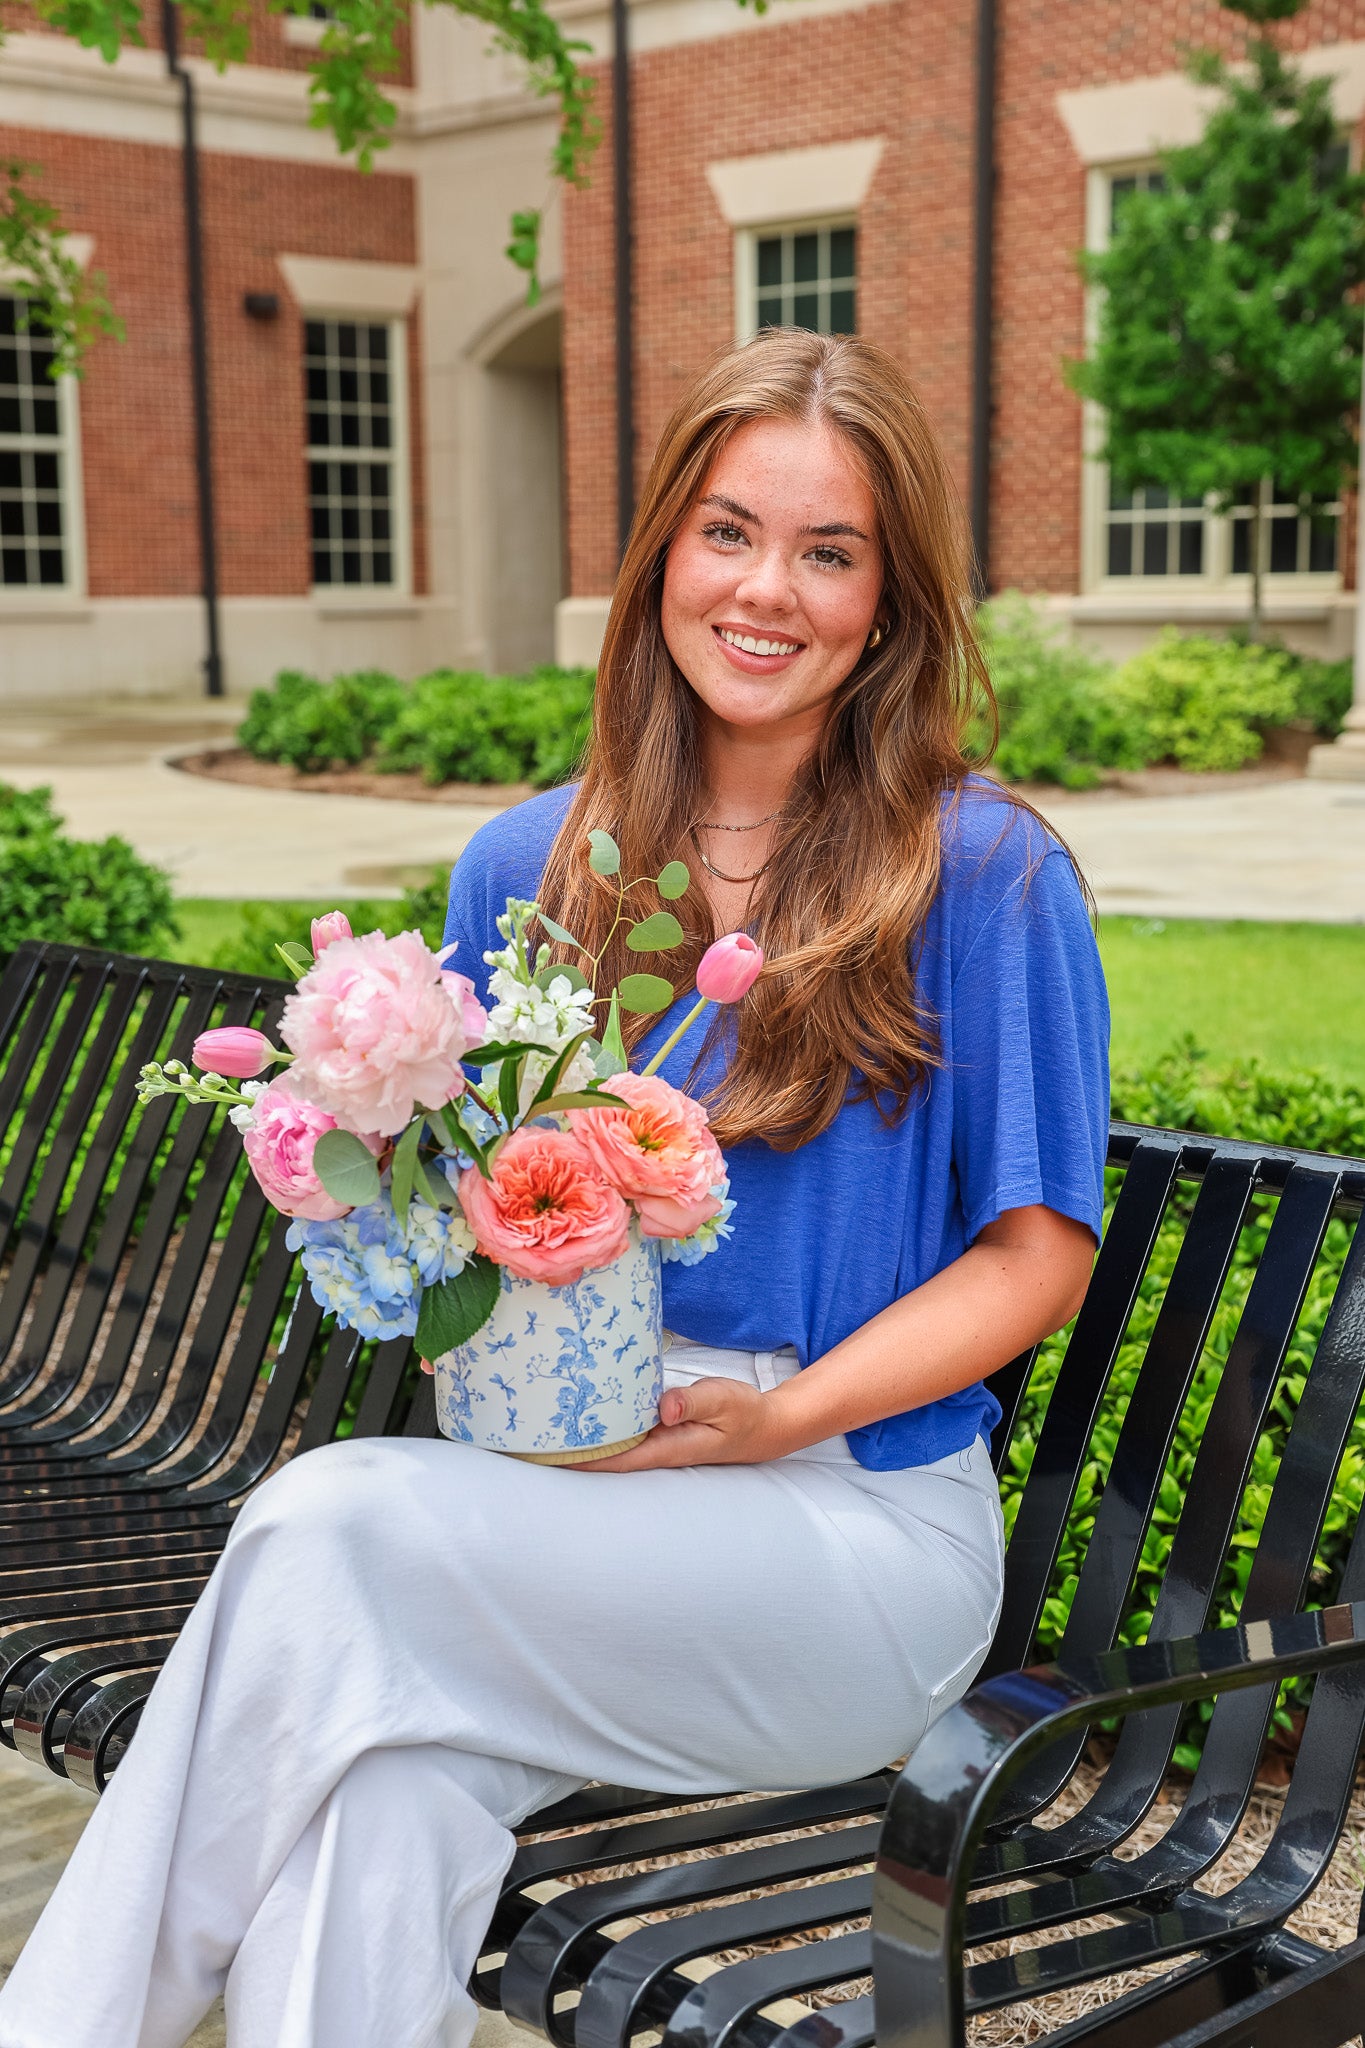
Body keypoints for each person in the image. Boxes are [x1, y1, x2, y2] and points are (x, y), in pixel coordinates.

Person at [0, 328, 1108, 2048]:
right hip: (566, 1503)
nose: (767, 590)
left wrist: (785, 1407)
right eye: (729, 532)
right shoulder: (526, 864)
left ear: (889, 603)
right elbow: (447, 1203)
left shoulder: (977, 871)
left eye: (830, 553)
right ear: (661, 549)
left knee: (318, 1523)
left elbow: (1037, 1254)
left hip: (850, 1533)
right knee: (374, 1806)